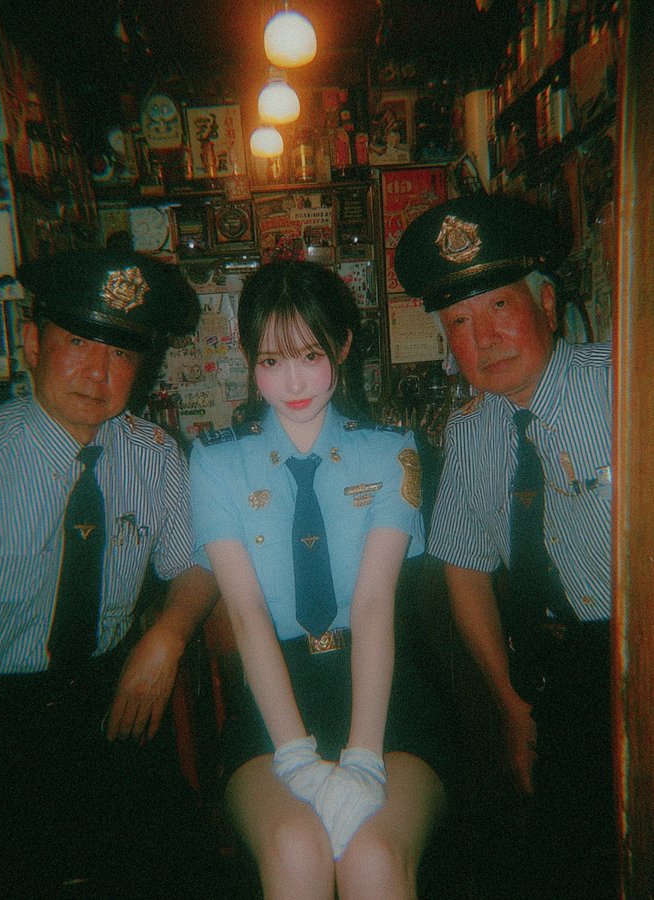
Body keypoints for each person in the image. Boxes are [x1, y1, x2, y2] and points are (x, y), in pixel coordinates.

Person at [189, 260, 451, 899]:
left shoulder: (393, 451)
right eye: (272, 360)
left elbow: (372, 605)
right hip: (271, 697)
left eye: (310, 353)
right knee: (297, 850)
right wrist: (297, 759)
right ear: (250, 359)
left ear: (343, 346)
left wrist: (362, 756)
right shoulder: (217, 461)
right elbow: (247, 614)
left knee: (373, 859)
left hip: (382, 693)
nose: (294, 380)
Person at [0, 249, 219, 898]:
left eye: (121, 354)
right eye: (78, 341)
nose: (97, 371)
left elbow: (193, 562)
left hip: (111, 700)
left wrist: (167, 635)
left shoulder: (156, 455)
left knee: (182, 870)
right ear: (31, 342)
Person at [395, 194, 615, 899]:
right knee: (575, 862)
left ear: (547, 305)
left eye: (498, 307)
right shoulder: (471, 430)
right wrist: (508, 706)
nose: (482, 336)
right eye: (459, 321)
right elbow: (463, 569)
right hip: (552, 679)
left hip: (632, 651)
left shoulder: (622, 385)